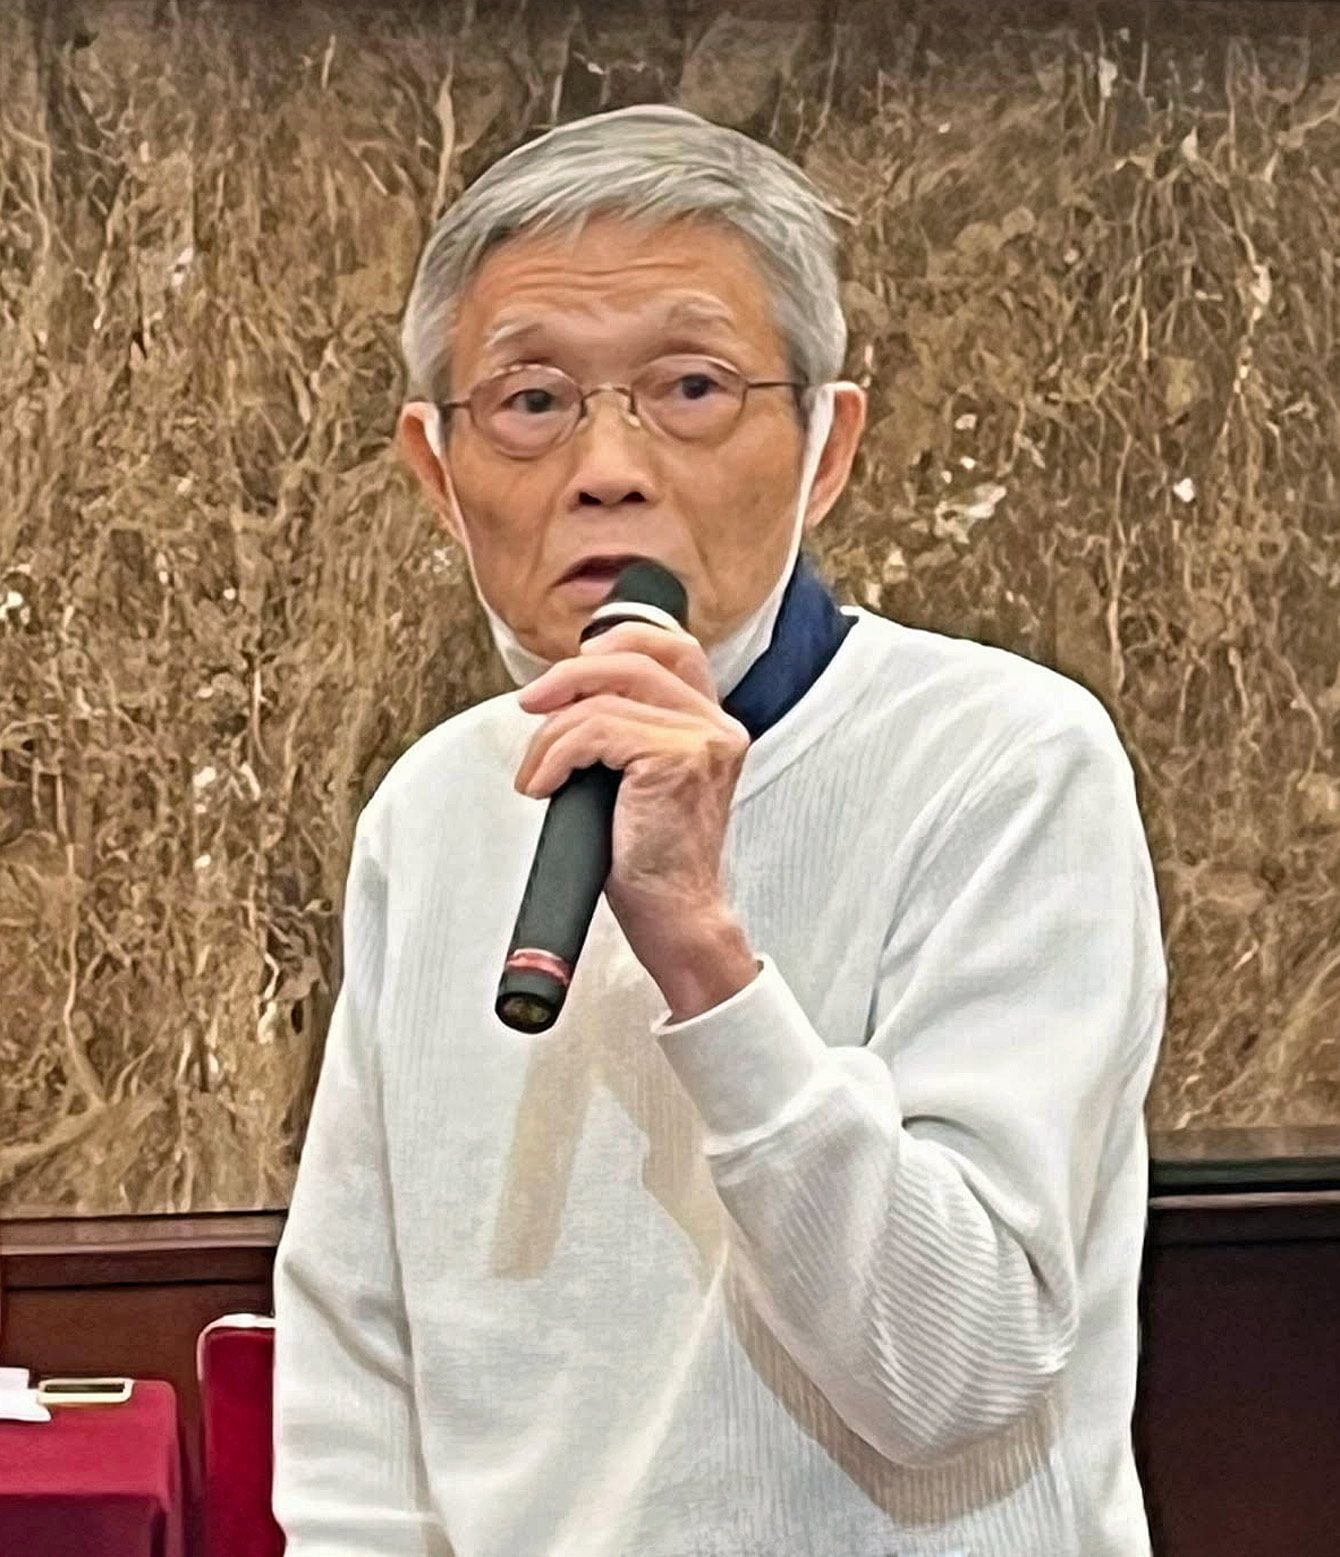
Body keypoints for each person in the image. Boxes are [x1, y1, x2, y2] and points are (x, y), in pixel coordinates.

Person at [271, 105, 1166, 1557]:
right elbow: (357, 1378)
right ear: (437, 472)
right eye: (532, 401)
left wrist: (703, 952)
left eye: (689, 387)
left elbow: (957, 1368)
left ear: (825, 447)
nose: (607, 468)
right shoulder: (428, 809)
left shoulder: (1006, 759)